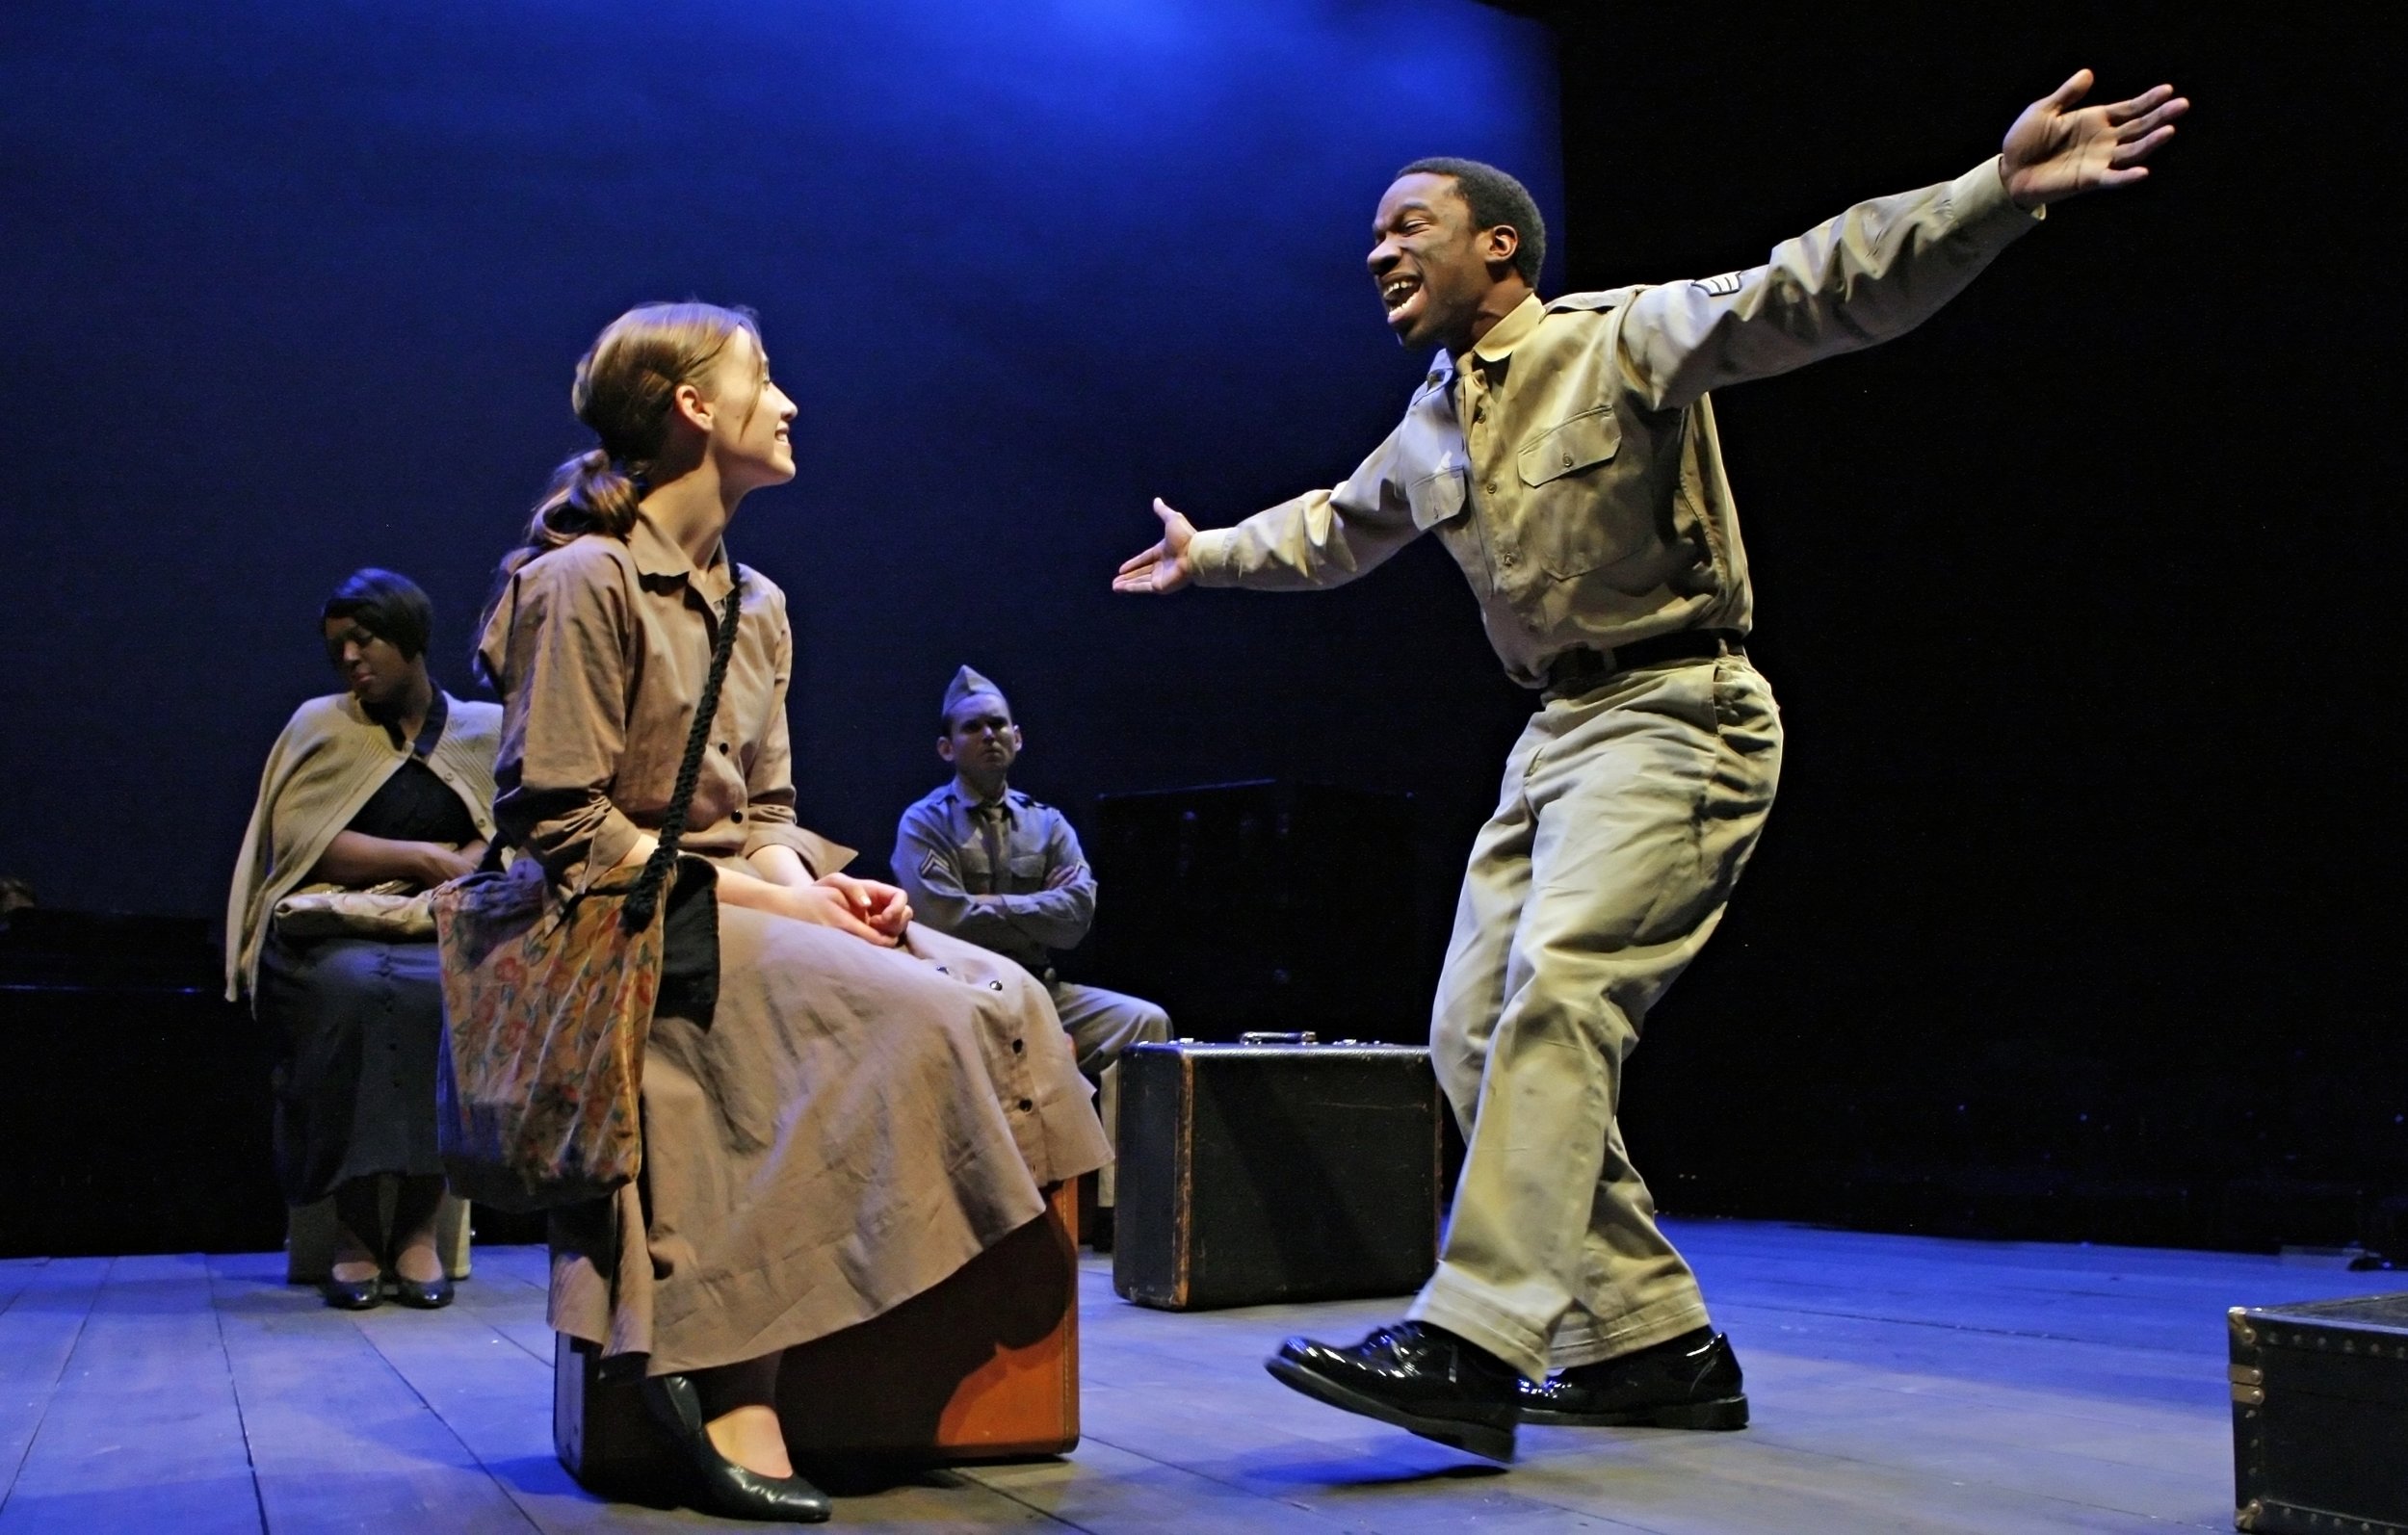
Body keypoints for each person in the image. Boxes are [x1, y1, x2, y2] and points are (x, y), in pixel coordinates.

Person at [1113, 72, 2187, 1464]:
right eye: (1373, 234)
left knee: (1560, 997)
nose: (1379, 250)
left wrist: (1993, 195)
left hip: (1680, 711)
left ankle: (1476, 1334)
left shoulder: (1616, 340)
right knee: (1471, 1033)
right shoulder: (1435, 419)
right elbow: (1334, 526)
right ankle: (1651, 1343)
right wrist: (1207, 556)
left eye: (1410, 225)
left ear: (1499, 243)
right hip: (1552, 736)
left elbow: (1810, 287)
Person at [476, 301, 1108, 1523]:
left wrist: (813, 883)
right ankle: (728, 1367)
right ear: (694, 409)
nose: (790, 401)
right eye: (763, 378)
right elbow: (562, 821)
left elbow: (765, 805)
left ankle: (906, 1340)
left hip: (732, 891)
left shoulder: (757, 603)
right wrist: (787, 909)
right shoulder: (580, 582)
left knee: (1007, 990)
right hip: (619, 910)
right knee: (913, 1012)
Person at [226, 568, 501, 1310]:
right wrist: (424, 857)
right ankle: (352, 1232)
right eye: (338, 647)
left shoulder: (482, 729)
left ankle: (415, 1231)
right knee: (346, 991)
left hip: (441, 926)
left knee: (441, 996)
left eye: (364, 640)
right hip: (330, 925)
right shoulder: (322, 725)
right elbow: (303, 839)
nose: (350, 659)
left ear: (409, 637)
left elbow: (507, 833)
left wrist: (467, 867)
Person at [891, 665, 1171, 1238]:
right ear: (947, 747)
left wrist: (990, 906)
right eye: (973, 728)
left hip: (1042, 987)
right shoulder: (925, 822)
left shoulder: (1048, 824)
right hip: (959, 990)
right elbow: (943, 918)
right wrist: (1035, 907)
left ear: (1018, 739)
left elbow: (1077, 918)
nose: (989, 735)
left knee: (1143, 1022)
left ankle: (1125, 1210)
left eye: (999, 725)